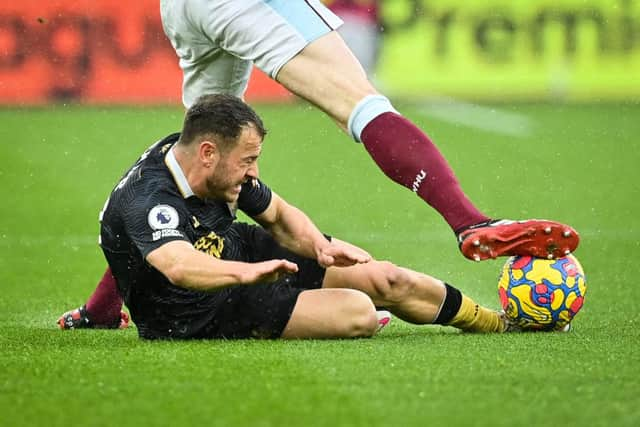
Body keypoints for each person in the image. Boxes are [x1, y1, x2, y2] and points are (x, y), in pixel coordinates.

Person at [58, 0, 579, 329]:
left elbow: (265, 212)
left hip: (181, 8)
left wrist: (320, 246)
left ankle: (103, 307)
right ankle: (469, 220)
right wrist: (250, 272)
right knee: (363, 104)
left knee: (197, 152)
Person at [60, 94, 512, 337]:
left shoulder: (212, 167)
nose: (253, 172)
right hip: (192, 311)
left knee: (387, 280)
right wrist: (249, 273)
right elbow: (178, 265)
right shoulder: (149, 199)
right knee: (357, 311)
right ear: (208, 152)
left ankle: (500, 323)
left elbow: (277, 214)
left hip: (237, 253)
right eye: (248, 159)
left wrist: (321, 247)